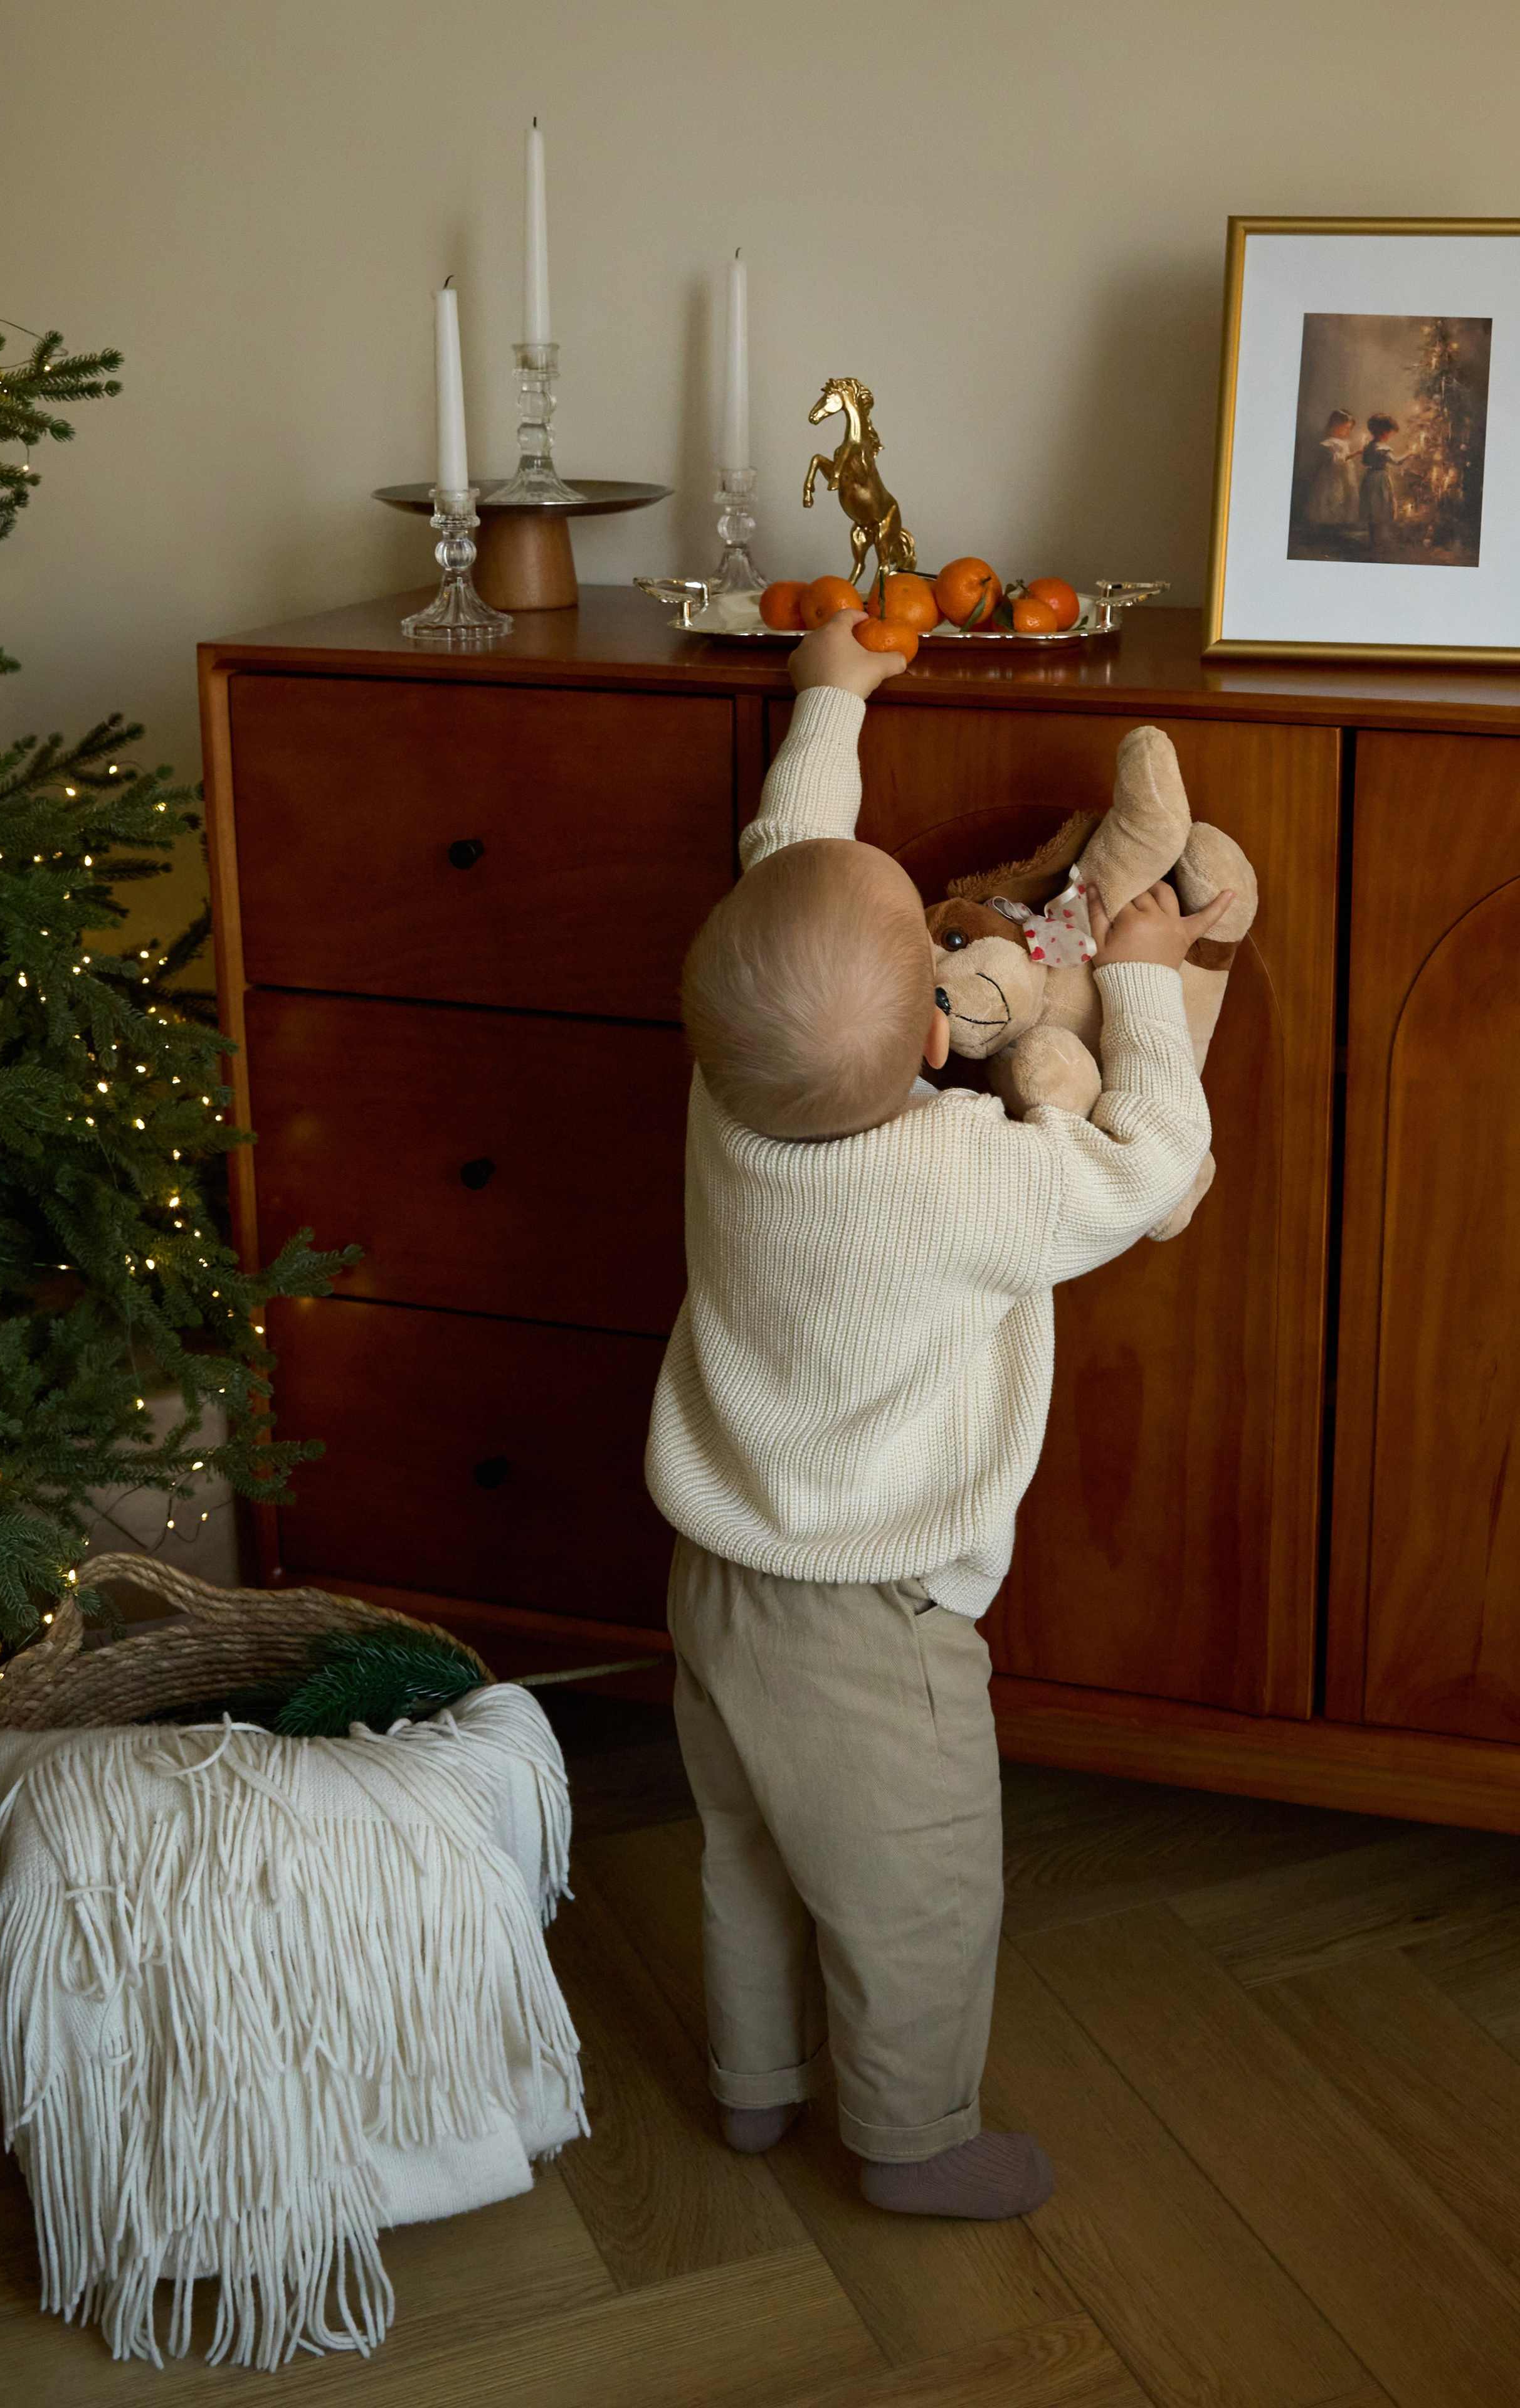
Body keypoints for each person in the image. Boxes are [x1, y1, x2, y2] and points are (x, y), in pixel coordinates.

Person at [645, 608, 1233, 2221]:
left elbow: (790, 855)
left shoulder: (727, 1087)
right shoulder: (955, 1171)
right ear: (932, 1036)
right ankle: (908, 2137)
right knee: (911, 1890)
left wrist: (829, 695)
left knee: (747, 1852)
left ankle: (755, 2087)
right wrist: (1136, 987)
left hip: (711, 1577)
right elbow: (1143, 1172)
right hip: (872, 1619)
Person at [1358, 413, 1422, 557]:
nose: (1390, 437)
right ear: (1384, 432)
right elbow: (1397, 461)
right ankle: (1378, 545)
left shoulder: (1368, 447)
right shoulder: (1384, 449)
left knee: (1372, 510)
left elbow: (1365, 462)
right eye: (1391, 434)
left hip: (1370, 478)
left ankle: (1373, 541)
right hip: (1380, 479)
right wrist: (1408, 454)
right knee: (1380, 509)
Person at [1307, 408, 1359, 534]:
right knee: (1333, 498)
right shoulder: (1329, 444)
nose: (1348, 431)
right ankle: (1328, 530)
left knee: (1345, 499)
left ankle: (1338, 528)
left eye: (1350, 428)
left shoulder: (1344, 443)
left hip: (1344, 476)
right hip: (1332, 479)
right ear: (1336, 426)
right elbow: (1337, 461)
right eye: (1346, 428)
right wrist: (1355, 454)